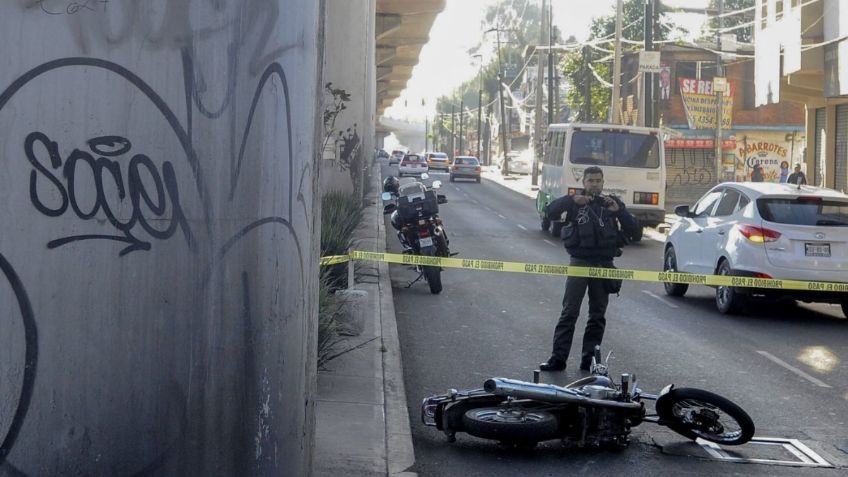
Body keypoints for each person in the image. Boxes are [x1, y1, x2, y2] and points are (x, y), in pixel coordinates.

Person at [539, 166, 638, 372]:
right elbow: (548, 212)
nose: (594, 184)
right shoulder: (575, 202)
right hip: (580, 262)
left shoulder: (611, 203)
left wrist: (619, 211)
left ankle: (589, 359)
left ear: (603, 183)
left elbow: (635, 231)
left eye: (598, 180)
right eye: (590, 180)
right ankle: (558, 358)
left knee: (597, 315)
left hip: (604, 264)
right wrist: (570, 200)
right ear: (583, 182)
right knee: (569, 312)